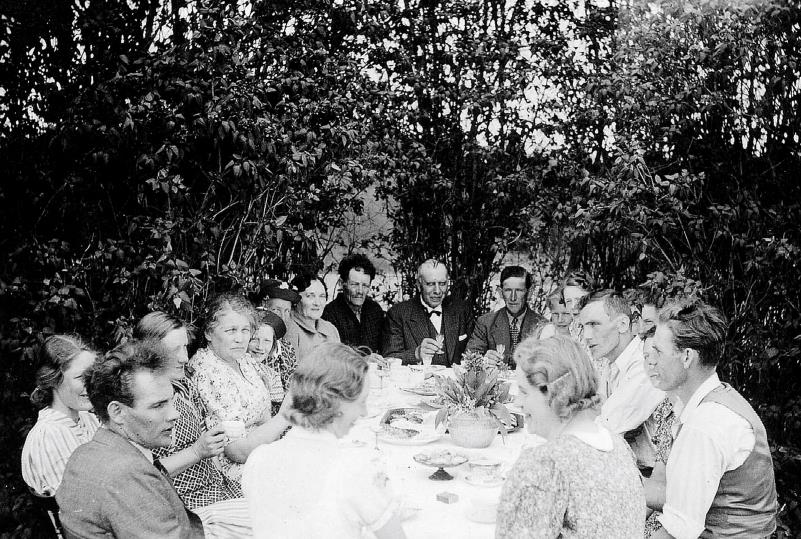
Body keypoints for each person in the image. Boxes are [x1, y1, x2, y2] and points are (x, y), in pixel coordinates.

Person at [242, 343, 405, 539]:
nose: (364, 412)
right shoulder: (357, 467)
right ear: (337, 402)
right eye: (361, 402)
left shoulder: (258, 459)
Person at [647, 299, 777, 539]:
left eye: (658, 351)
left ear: (687, 357)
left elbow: (678, 531)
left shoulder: (705, 424)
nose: (650, 360)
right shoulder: (719, 398)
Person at [496, 336, 645, 538]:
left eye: (524, 392)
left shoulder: (545, 463)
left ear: (553, 393)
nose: (518, 403)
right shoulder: (618, 447)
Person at [56, 340, 205, 538]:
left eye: (171, 400)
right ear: (117, 412)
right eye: (158, 405)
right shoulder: (127, 473)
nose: (174, 414)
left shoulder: (85, 452)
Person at [134, 312, 252, 538]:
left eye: (185, 347)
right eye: (173, 350)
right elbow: (147, 472)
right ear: (147, 353)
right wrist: (197, 451)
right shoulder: (142, 401)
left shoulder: (184, 385)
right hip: (186, 504)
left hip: (218, 487)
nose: (184, 358)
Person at [189, 293, 292, 484]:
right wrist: (284, 416)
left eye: (245, 330)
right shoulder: (208, 371)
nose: (240, 338)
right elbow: (237, 451)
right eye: (231, 330)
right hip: (237, 473)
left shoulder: (242, 360)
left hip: (265, 452)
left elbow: (265, 415)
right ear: (209, 333)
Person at [577, 289, 665, 469]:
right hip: (625, 466)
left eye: (594, 324)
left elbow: (604, 429)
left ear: (623, 324)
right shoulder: (611, 362)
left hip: (651, 477)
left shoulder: (644, 365)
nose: (586, 336)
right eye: (583, 326)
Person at [21, 335, 99, 496]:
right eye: (80, 377)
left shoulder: (87, 419)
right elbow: (78, 503)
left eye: (92, 376)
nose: (92, 385)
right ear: (54, 380)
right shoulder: (48, 436)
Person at [382, 259, 473, 366]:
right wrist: (416, 354)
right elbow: (389, 359)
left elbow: (475, 352)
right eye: (430, 284)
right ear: (419, 285)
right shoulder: (398, 314)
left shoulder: (462, 310)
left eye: (442, 284)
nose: (438, 291)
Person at [466, 266, 545, 367]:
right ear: (500, 292)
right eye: (508, 290)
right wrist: (483, 360)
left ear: (529, 293)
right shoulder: (486, 323)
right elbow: (469, 358)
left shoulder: (542, 326)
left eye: (519, 290)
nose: (513, 297)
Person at [322, 253, 386, 353]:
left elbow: (384, 348)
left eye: (365, 285)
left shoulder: (375, 310)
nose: (360, 291)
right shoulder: (329, 313)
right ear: (341, 283)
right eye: (355, 284)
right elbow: (333, 354)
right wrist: (363, 359)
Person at [249, 279, 299, 389]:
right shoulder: (250, 344)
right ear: (263, 307)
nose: (283, 316)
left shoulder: (287, 348)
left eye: (287, 311)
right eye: (276, 310)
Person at [284, 271, 341, 362]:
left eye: (322, 296)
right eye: (310, 296)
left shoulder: (330, 329)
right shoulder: (289, 329)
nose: (317, 303)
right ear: (295, 299)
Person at [247, 310, 289, 410]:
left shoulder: (272, 376)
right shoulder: (233, 369)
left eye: (267, 341)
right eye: (254, 339)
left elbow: (276, 412)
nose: (260, 347)